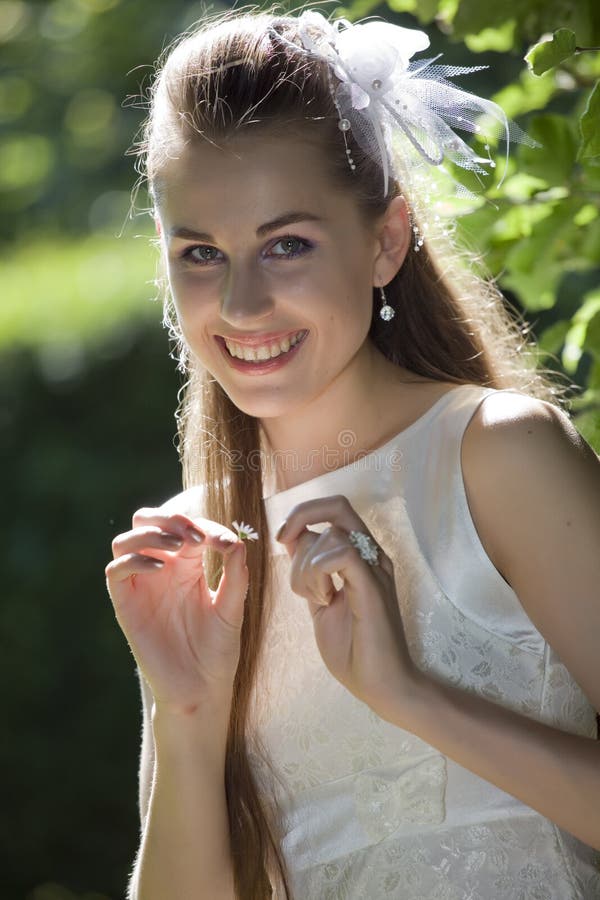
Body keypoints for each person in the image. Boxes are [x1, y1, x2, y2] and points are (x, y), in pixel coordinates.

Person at [105, 6, 600, 899]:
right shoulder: (191, 547)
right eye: (202, 254)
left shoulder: (496, 455)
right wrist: (184, 711)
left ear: (386, 242)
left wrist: (410, 696)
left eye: (285, 244)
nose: (243, 304)